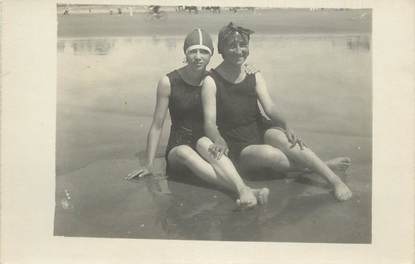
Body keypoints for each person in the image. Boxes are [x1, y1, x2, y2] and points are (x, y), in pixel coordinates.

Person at [202, 22, 353, 201]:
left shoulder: (254, 75)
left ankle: (333, 180)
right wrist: (218, 139)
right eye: (232, 46)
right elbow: (209, 122)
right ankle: (321, 166)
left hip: (259, 128)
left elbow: (270, 108)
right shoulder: (211, 81)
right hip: (236, 144)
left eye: (243, 45)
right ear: (221, 50)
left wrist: (286, 125)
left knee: (285, 140)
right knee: (271, 155)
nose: (239, 50)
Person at [126, 28, 269, 208]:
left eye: (204, 52)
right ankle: (243, 189)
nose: (198, 56)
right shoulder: (168, 82)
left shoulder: (215, 80)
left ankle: (244, 190)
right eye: (193, 51)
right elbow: (157, 125)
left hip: (205, 142)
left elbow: (238, 78)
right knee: (185, 152)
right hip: (179, 146)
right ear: (185, 53)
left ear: (210, 56)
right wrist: (148, 164)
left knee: (203, 142)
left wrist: (247, 68)